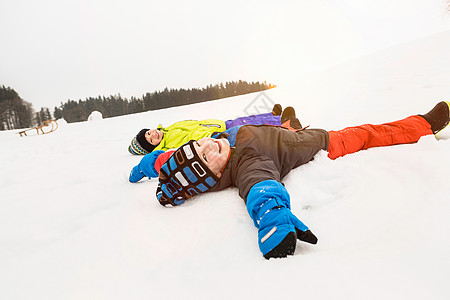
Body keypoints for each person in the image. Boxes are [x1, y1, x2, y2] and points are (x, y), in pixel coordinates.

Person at [129, 101, 450, 259]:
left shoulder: (217, 144)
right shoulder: (247, 164)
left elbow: (160, 160)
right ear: (214, 176)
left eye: (199, 144)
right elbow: (261, 189)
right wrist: (274, 219)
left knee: (261, 126)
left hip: (284, 135)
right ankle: (422, 125)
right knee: (368, 133)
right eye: (207, 155)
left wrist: (143, 165)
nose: (209, 144)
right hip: (323, 142)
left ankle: (289, 125)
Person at [127, 104, 296, 155]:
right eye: (150, 140)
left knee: (246, 120)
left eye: (148, 133)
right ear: (153, 147)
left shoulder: (168, 129)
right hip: (214, 134)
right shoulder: (166, 145)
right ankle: (283, 124)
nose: (153, 135)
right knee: (247, 127)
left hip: (216, 125)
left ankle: (273, 116)